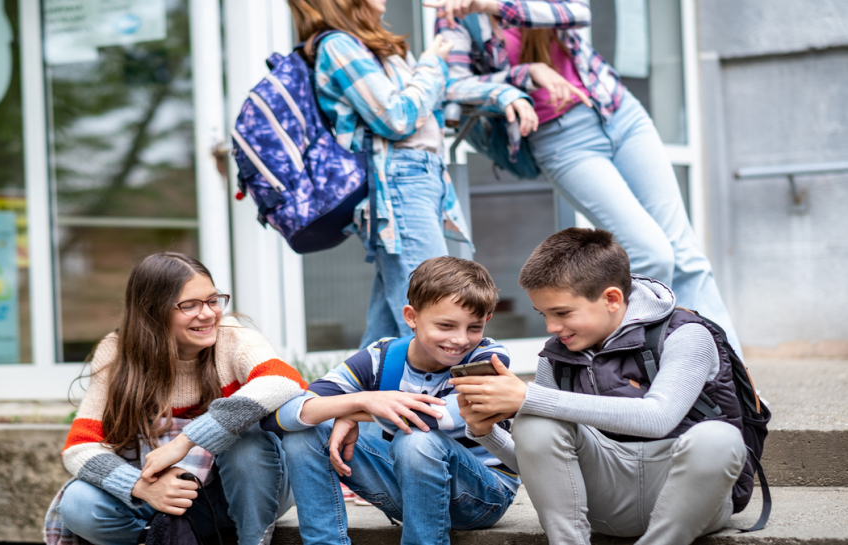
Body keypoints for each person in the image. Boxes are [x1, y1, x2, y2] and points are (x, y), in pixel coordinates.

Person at [432, 0, 744, 354]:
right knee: (652, 254)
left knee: (687, 256)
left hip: (618, 112)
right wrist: (524, 74)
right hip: (563, 140)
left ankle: (732, 381)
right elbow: (453, 86)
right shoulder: (455, 14)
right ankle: (654, 370)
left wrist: (492, 5)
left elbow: (577, 11)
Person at [452, 228, 748, 545]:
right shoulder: (555, 358)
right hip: (606, 503)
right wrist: (488, 434)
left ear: (611, 298)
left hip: (692, 504)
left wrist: (530, 396)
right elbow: (544, 465)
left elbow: (659, 417)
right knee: (535, 422)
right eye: (544, 314)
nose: (552, 328)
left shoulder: (686, 335)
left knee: (720, 437)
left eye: (562, 313)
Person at [288, 0, 536, 348]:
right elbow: (397, 117)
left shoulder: (368, 47)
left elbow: (438, 91)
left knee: (391, 324)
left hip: (419, 179)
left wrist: (505, 93)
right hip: (400, 184)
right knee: (434, 310)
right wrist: (432, 61)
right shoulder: (338, 45)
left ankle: (351, 398)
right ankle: (435, 401)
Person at [44, 253, 308, 545]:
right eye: (189, 305)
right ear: (152, 311)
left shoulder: (235, 339)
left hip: (242, 490)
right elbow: (80, 447)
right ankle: (166, 539)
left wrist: (187, 440)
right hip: (162, 495)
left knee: (246, 441)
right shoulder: (117, 351)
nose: (208, 313)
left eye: (212, 300)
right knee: (79, 503)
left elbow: (283, 380)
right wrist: (141, 487)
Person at [263, 256, 519, 544]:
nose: (460, 340)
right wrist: (360, 401)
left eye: (474, 327)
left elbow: (443, 416)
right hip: (408, 486)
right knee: (306, 433)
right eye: (446, 326)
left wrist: (357, 410)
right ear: (411, 316)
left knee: (417, 440)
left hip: (482, 495)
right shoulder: (380, 358)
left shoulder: (486, 357)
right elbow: (280, 417)